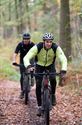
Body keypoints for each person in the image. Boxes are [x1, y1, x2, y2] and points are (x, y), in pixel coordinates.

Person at [23, 33, 67, 116]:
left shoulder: (55, 47)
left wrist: (63, 70)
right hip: (39, 66)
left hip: (50, 65)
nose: (49, 43)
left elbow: (63, 59)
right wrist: (29, 66)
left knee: (53, 79)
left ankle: (53, 95)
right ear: (44, 42)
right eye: (47, 42)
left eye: (50, 42)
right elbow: (26, 57)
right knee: (38, 85)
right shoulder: (38, 47)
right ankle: (39, 106)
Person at [12, 33, 35, 99]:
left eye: (27, 39)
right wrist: (14, 60)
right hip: (22, 60)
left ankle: (32, 77)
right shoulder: (20, 44)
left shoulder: (32, 44)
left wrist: (36, 61)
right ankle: (22, 91)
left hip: (31, 60)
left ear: (29, 39)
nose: (26, 40)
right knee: (22, 76)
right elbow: (15, 53)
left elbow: (37, 53)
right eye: (25, 39)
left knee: (31, 69)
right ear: (23, 39)